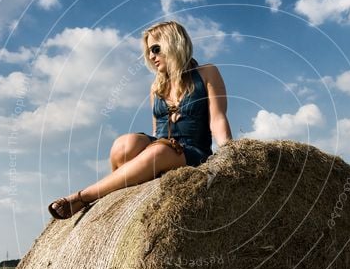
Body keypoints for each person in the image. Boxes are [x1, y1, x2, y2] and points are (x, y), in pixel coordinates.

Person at [48, 20, 233, 219]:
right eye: (148, 52)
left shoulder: (207, 73)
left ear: (174, 43)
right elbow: (157, 132)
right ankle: (118, 199)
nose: (152, 56)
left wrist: (231, 155)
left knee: (160, 150)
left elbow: (217, 119)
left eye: (155, 49)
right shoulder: (156, 87)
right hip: (160, 147)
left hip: (192, 152)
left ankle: (83, 197)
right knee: (124, 145)